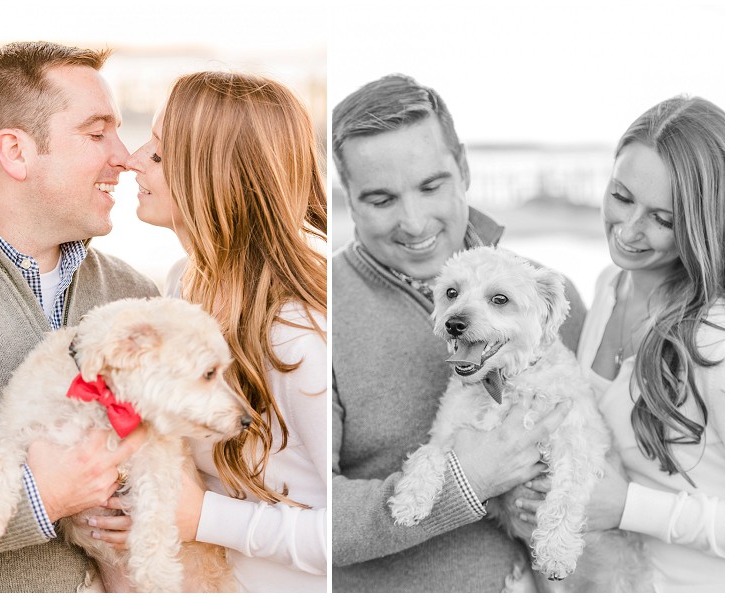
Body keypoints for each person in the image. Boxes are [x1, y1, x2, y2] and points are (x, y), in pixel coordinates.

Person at [331, 73, 586, 592]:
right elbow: (308, 516)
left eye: (431, 186)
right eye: (381, 199)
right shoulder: (318, 308)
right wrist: (465, 482)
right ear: (348, 197)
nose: (415, 222)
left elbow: (607, 462)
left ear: (463, 167)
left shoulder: (550, 299)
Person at [85, 71, 328, 592]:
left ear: (216, 175)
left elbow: (354, 534)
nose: (131, 159)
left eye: (160, 149)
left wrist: (202, 520)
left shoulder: (296, 330)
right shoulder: (184, 284)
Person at [0, 41, 158, 592]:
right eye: (96, 131)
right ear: (16, 151)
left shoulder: (136, 295)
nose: (124, 155)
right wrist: (39, 498)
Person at [520, 96, 725, 592]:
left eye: (663, 218)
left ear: (703, 223)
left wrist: (627, 506)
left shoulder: (715, 335)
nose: (629, 231)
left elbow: (618, 498)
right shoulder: (609, 285)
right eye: (622, 196)